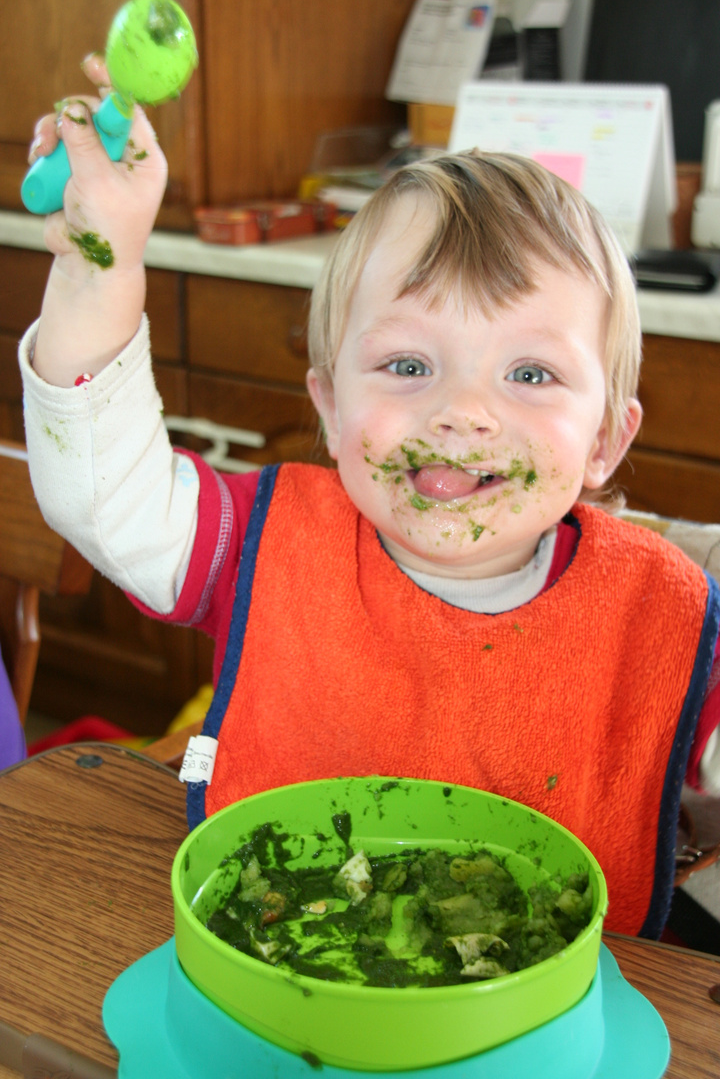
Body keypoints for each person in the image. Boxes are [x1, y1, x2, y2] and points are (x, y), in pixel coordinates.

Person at [19, 63, 720, 939]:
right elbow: (102, 494)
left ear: (607, 441)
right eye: (409, 366)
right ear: (331, 404)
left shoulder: (665, 617)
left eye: (531, 374)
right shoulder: (262, 547)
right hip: (284, 980)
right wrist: (100, 262)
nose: (463, 412)